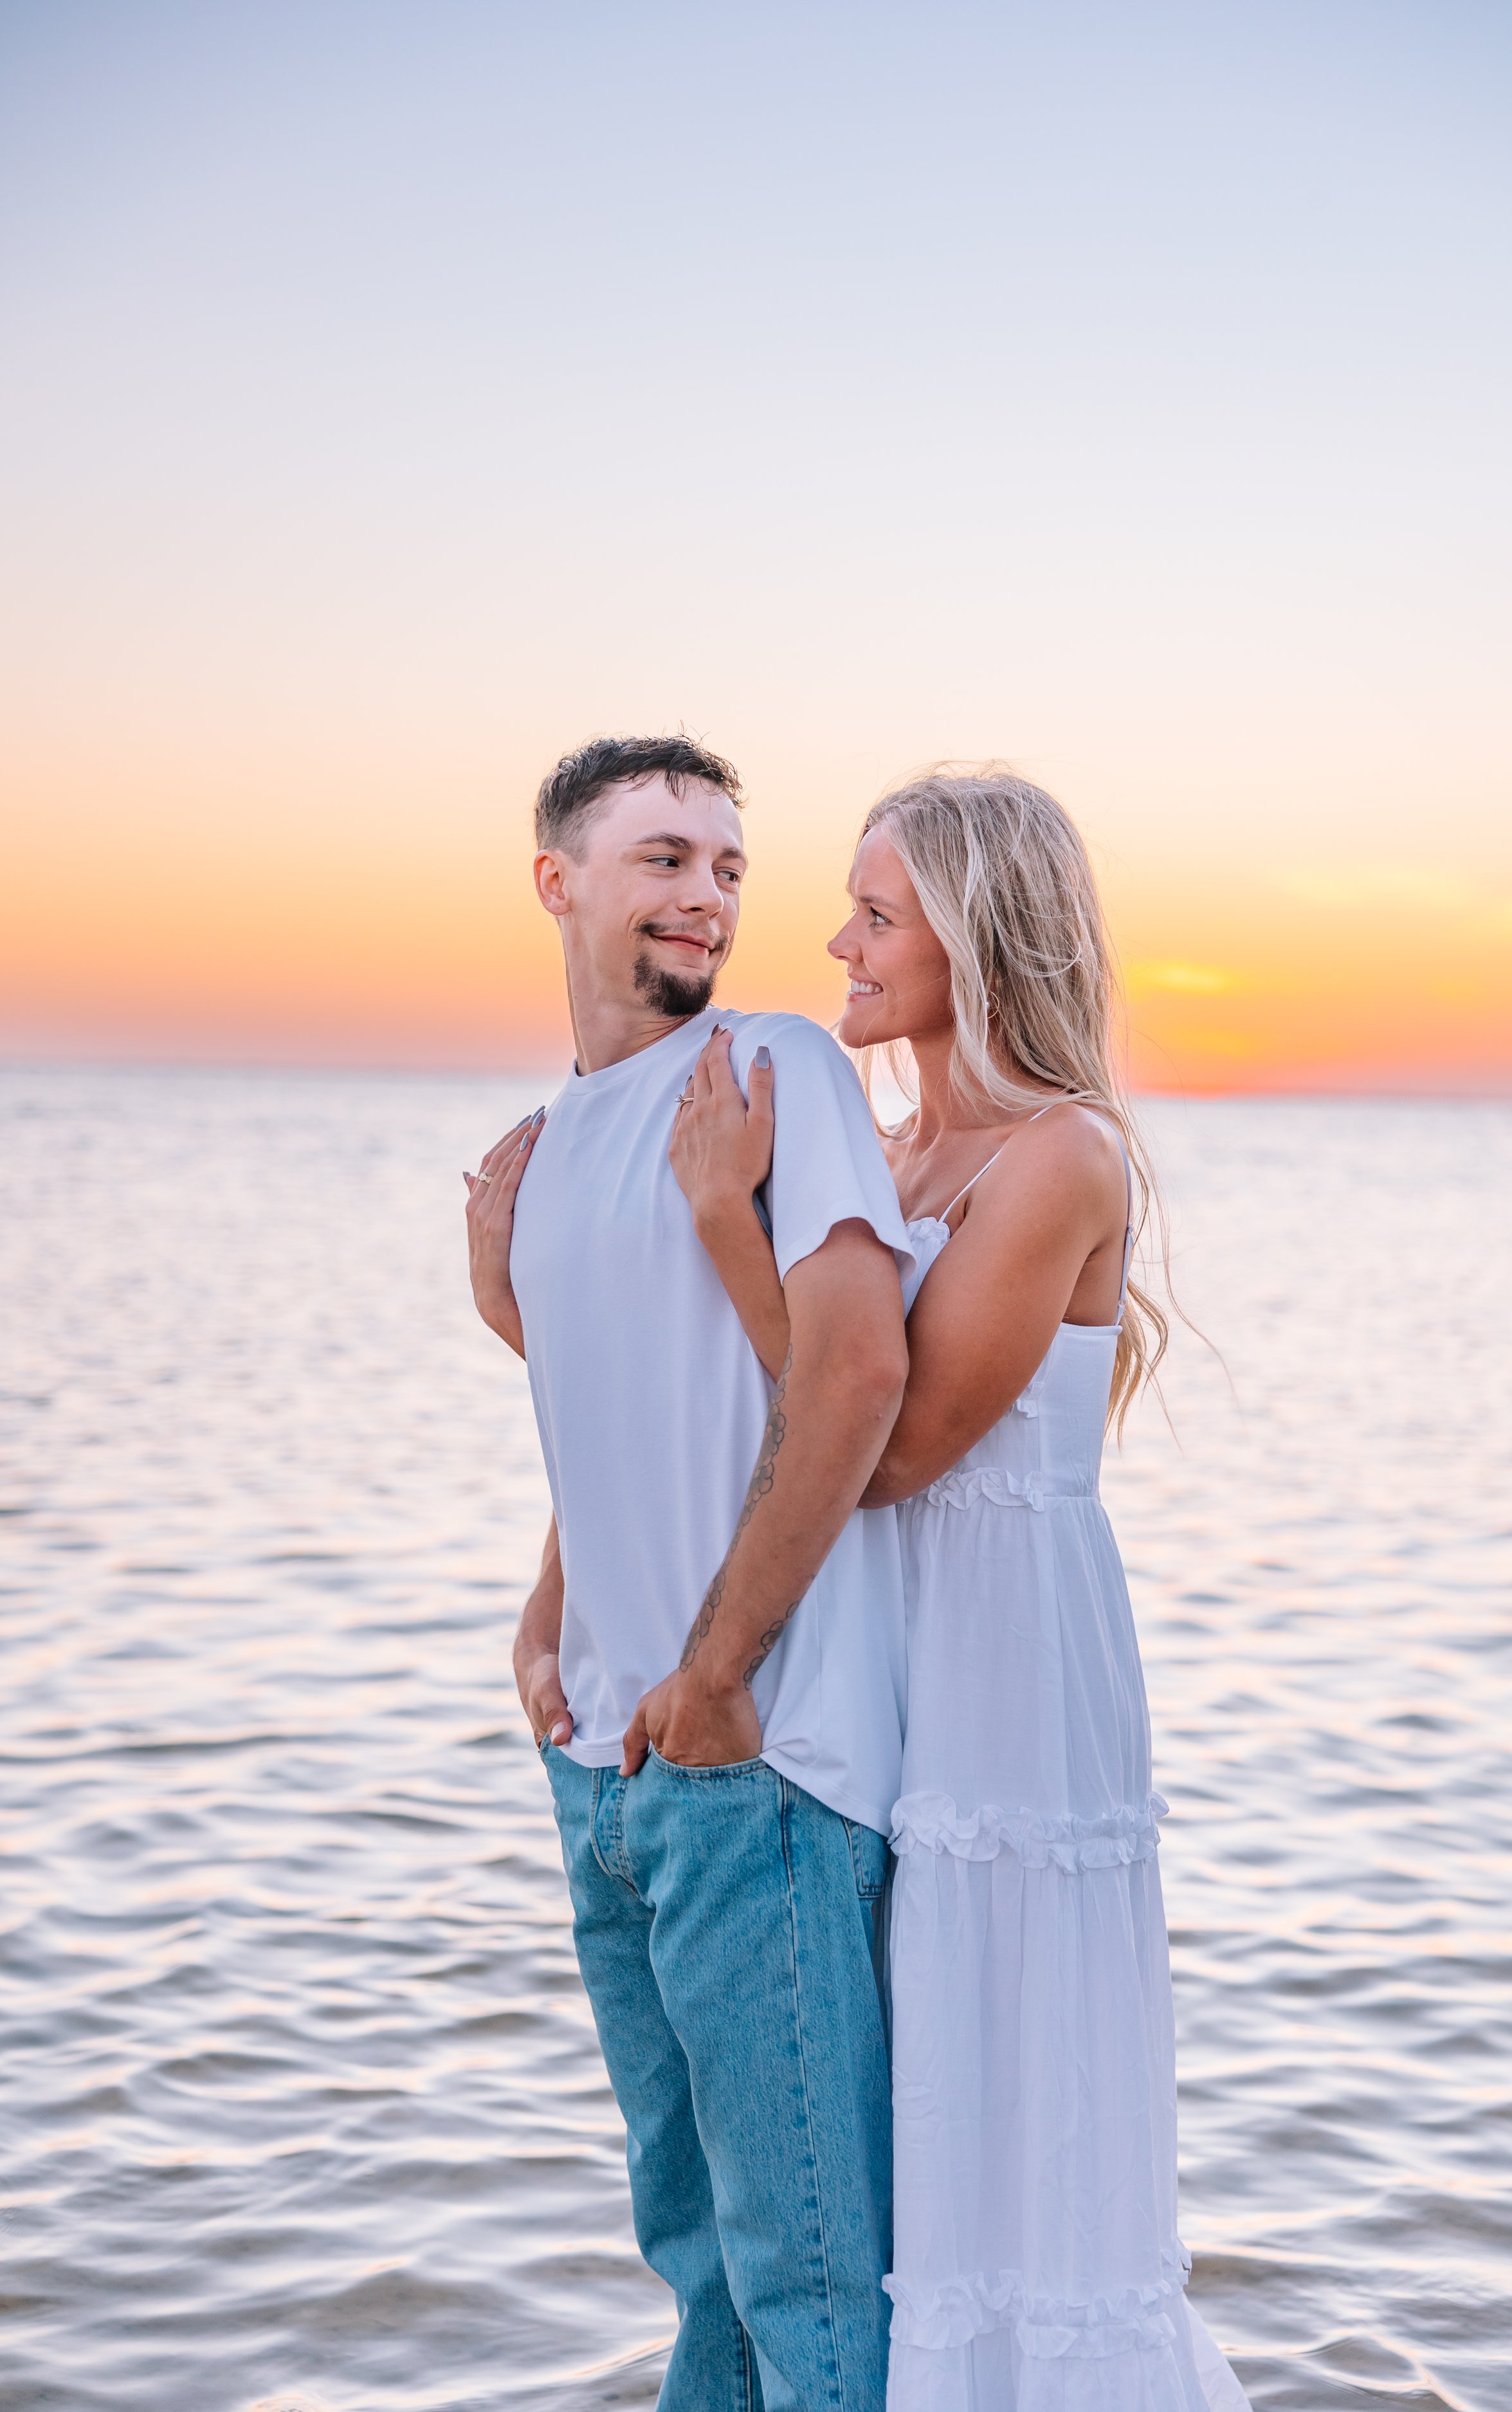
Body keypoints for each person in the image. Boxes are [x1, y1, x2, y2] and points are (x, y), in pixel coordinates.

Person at [672, 769, 1250, 2411]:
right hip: (885, 1631)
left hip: (1007, 1654)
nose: (834, 941)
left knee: (1003, 2039)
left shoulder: (1059, 1157)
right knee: (895, 2062)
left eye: (875, 912)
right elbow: (767, 1406)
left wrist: (730, 1222)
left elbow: (899, 1444)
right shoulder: (892, 1146)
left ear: (975, 937)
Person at [464, 733, 915, 2412]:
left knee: (804, 2278)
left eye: (727, 865)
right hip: (602, 1761)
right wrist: (543, 1627)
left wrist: (719, 1668)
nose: (706, 895)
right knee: (697, 2257)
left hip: (759, 1758)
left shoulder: (778, 1065)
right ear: (557, 880)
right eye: (663, 856)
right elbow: (622, 1415)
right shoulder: (550, 1140)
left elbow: (855, 1380)